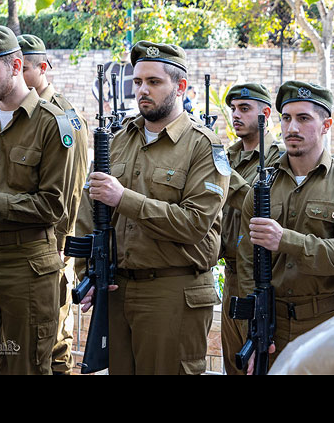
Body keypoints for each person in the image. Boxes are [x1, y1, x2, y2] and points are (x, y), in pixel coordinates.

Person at [82, 40, 229, 375]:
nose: (142, 90)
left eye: (153, 82)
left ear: (180, 87)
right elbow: (91, 210)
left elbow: (195, 223)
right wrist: (90, 271)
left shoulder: (203, 146)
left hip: (172, 292)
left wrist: (124, 198)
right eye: (137, 82)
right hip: (119, 290)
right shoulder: (120, 139)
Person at [236, 80, 334, 373]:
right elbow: (247, 260)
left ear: (326, 125)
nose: (292, 128)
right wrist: (255, 323)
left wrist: (285, 239)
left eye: (303, 119)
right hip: (270, 322)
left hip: (323, 323)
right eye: (286, 118)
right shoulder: (263, 185)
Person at [0, 25, 74, 374]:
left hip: (27, 263)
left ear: (16, 66)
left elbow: (54, 206)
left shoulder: (53, 124)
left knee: (26, 365)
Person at [18, 34, 89, 375]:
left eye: (25, 68)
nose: (17, 75)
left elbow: (70, 193)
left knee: (52, 342)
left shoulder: (62, 116)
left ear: (42, 67)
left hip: (51, 251)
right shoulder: (18, 114)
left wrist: (58, 249)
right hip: (23, 254)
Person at [219, 83, 284, 375]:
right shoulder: (227, 157)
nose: (236, 114)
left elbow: (258, 203)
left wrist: (222, 174)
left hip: (261, 278)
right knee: (233, 363)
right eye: (233, 108)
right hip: (230, 274)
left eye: (244, 108)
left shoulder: (278, 159)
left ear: (265, 114)